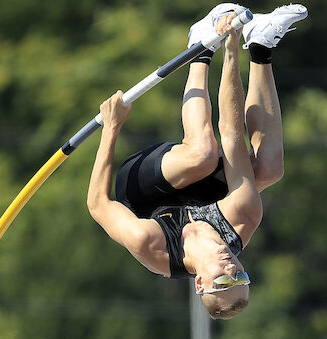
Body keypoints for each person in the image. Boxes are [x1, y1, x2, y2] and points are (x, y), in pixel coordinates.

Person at [87, 3, 308, 319]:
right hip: (206, 193)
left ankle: (198, 49)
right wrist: (232, 50)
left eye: (224, 279)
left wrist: (112, 127)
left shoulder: (152, 244)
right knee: (269, 169)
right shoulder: (242, 218)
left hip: (145, 189)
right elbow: (232, 134)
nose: (232, 268)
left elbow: (97, 204)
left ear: (201, 283)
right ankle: (260, 46)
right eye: (242, 277)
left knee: (203, 153)